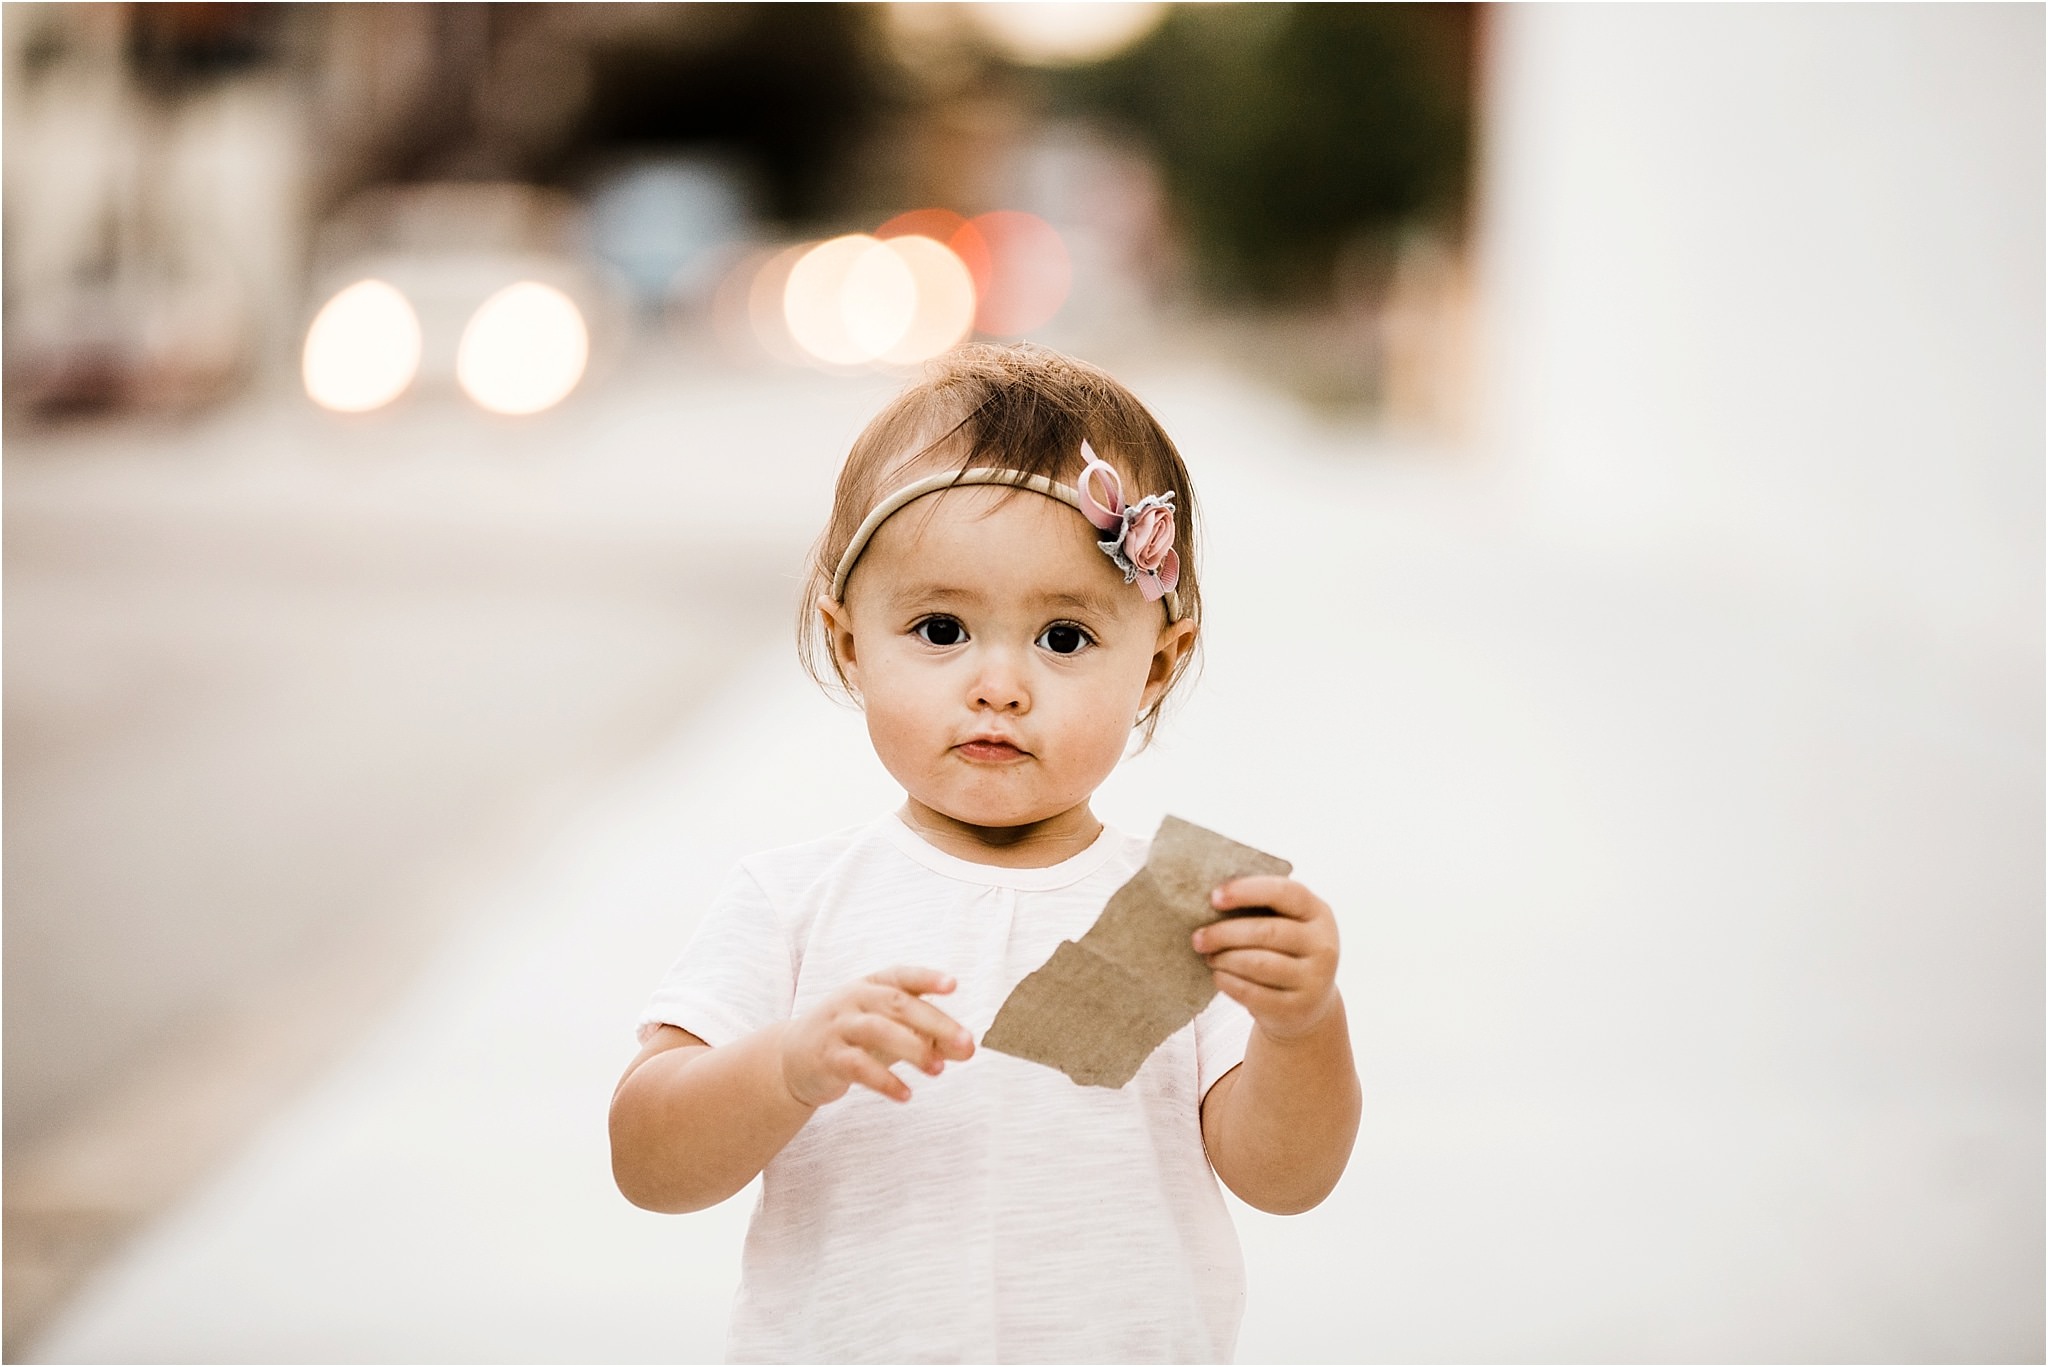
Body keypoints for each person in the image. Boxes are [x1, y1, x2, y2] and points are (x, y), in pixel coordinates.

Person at [610, 343, 1361, 1363]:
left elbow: (1285, 1176)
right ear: (848, 642)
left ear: (1157, 660)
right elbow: (650, 1161)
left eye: (1062, 638)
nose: (998, 683)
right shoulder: (796, 902)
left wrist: (1301, 1021)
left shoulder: (1179, 907)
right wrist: (784, 1065)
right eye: (939, 627)